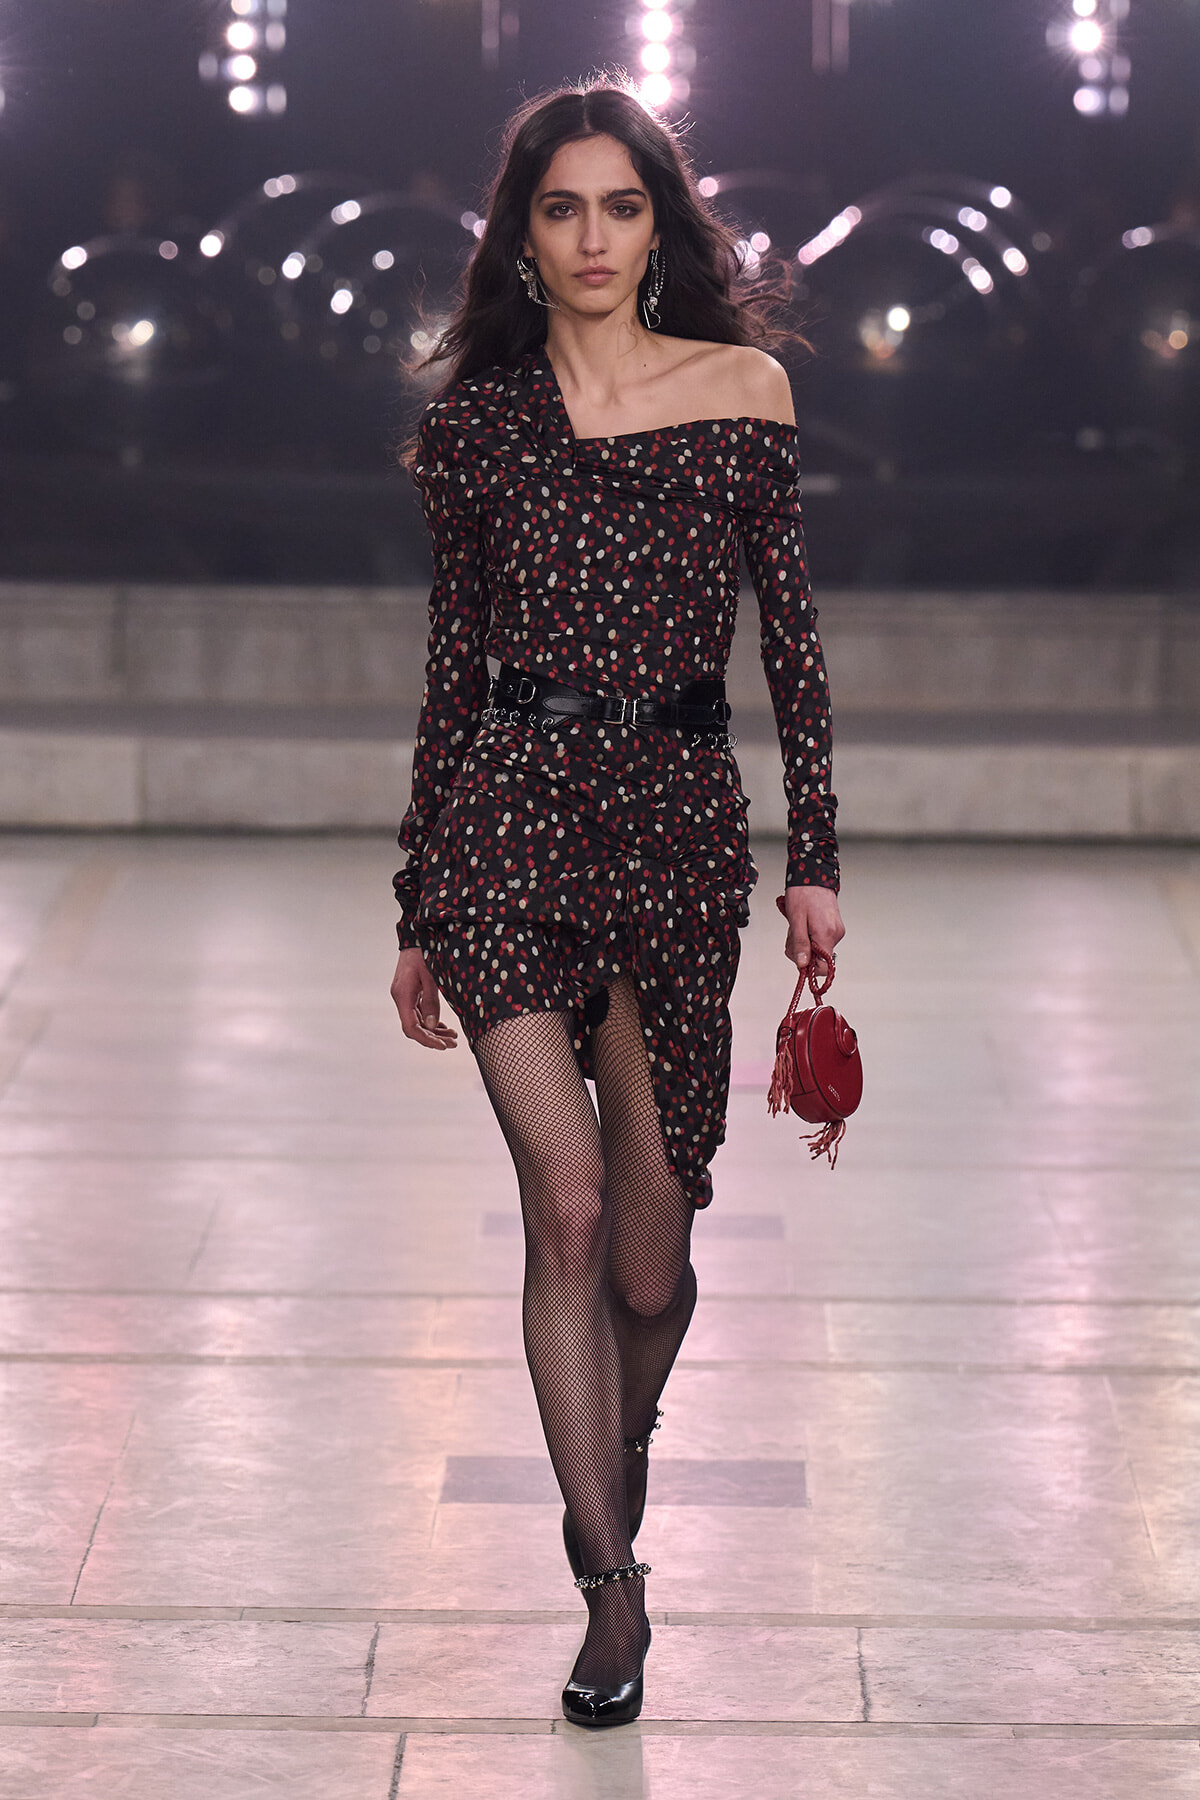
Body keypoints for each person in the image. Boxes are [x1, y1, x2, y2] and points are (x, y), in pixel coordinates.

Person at [390, 80, 843, 1729]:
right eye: (562, 209)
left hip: (670, 833)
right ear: (522, 231)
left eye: (622, 207)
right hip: (507, 824)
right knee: (565, 1211)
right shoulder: (478, 425)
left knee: (649, 1262)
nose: (591, 238)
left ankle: (621, 1437)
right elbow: (452, 674)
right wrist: (418, 898)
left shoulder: (742, 392)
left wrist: (819, 860)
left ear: (663, 225)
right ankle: (608, 1579)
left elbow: (789, 644)